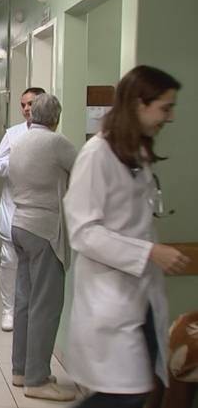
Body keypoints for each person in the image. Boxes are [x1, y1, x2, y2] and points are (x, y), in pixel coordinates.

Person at [64, 65, 190, 408]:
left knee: (141, 389)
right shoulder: (96, 155)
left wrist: (148, 253)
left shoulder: (138, 153)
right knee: (125, 396)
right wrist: (149, 252)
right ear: (138, 103)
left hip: (139, 295)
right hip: (110, 296)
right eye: (165, 107)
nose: (170, 116)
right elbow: (83, 232)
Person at [8, 93, 77, 402]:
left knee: (24, 300)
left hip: (20, 224)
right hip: (44, 230)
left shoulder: (19, 141)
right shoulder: (56, 143)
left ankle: (21, 369)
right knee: (46, 306)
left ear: (31, 115)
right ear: (56, 118)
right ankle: (36, 379)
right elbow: (84, 171)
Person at [0, 86, 45, 331]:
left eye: (30, 104)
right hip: (13, 208)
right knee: (9, 260)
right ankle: (8, 309)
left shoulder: (51, 135)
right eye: (23, 104)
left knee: (37, 264)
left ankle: (31, 309)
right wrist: (18, 162)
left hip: (40, 211)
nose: (25, 109)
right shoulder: (13, 134)